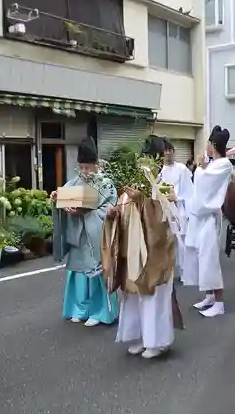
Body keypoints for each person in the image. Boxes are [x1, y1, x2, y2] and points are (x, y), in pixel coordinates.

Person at [106, 135, 183, 359]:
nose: (149, 163)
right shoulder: (137, 182)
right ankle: (140, 336)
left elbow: (167, 217)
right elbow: (125, 211)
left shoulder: (165, 183)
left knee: (154, 294)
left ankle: (158, 341)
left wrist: (143, 203)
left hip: (157, 250)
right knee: (135, 293)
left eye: (152, 158)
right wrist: (114, 212)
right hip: (135, 248)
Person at [52, 137, 119, 327]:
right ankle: (78, 309)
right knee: (78, 272)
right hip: (78, 235)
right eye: (80, 167)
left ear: (96, 165)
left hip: (95, 234)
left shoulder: (106, 183)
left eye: (87, 168)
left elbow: (110, 208)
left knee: (96, 272)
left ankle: (99, 312)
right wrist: (58, 199)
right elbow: (64, 195)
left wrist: (88, 211)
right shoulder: (75, 181)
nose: (83, 171)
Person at [182, 125, 233, 318]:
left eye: (208, 143)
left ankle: (219, 303)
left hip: (209, 217)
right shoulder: (212, 164)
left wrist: (201, 169)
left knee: (210, 259)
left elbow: (204, 184)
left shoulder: (224, 164)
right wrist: (203, 168)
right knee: (201, 257)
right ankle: (209, 296)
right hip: (201, 217)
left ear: (213, 144)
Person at [159, 139, 194, 279]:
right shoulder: (159, 170)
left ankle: (185, 270)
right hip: (164, 208)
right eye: (165, 151)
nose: (168, 153)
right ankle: (168, 270)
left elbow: (189, 189)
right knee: (167, 240)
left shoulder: (182, 169)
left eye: (170, 150)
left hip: (179, 208)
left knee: (181, 240)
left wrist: (177, 196)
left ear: (173, 152)